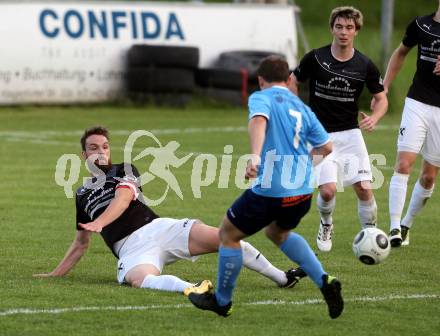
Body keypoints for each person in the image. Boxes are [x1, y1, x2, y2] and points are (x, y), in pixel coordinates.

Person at [34, 126, 306, 295]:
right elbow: (81, 244)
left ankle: (282, 278)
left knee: (226, 238)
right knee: (140, 280)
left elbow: (124, 198)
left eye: (105, 147)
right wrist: (55, 275)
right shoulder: (82, 194)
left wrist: (100, 222)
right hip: (130, 248)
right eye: (93, 148)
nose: (101, 152)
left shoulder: (124, 170)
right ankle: (192, 289)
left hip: (160, 229)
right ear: (84, 155)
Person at [188, 56, 343, 319]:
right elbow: (327, 147)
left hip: (272, 190)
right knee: (278, 234)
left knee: (228, 234)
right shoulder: (303, 108)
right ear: (289, 79)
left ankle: (222, 302)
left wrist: (256, 156)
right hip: (302, 190)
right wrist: (303, 166)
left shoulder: (262, 97)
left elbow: (259, 121)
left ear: (260, 80)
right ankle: (324, 280)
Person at [289, 6, 388, 252]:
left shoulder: (365, 65)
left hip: (350, 134)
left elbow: (381, 97)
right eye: (339, 27)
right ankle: (326, 223)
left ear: (356, 31)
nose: (344, 32)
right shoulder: (316, 58)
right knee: (328, 190)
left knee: (365, 189)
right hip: (320, 136)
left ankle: (371, 234)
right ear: (332, 28)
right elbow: (293, 80)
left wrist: (375, 117)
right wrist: (298, 110)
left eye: (349, 28)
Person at [385, 1, 440, 247]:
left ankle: (406, 223)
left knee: (429, 177)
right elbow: (400, 52)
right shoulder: (421, 24)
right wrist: (383, 87)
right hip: (417, 101)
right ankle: (394, 227)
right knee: (404, 164)